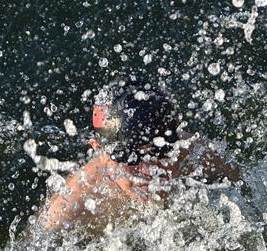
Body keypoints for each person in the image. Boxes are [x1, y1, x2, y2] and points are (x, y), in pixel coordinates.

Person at [40, 78, 239, 231]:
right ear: (100, 150)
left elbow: (244, 191)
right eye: (129, 157)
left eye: (160, 150)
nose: (148, 170)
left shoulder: (197, 154)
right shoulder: (68, 209)